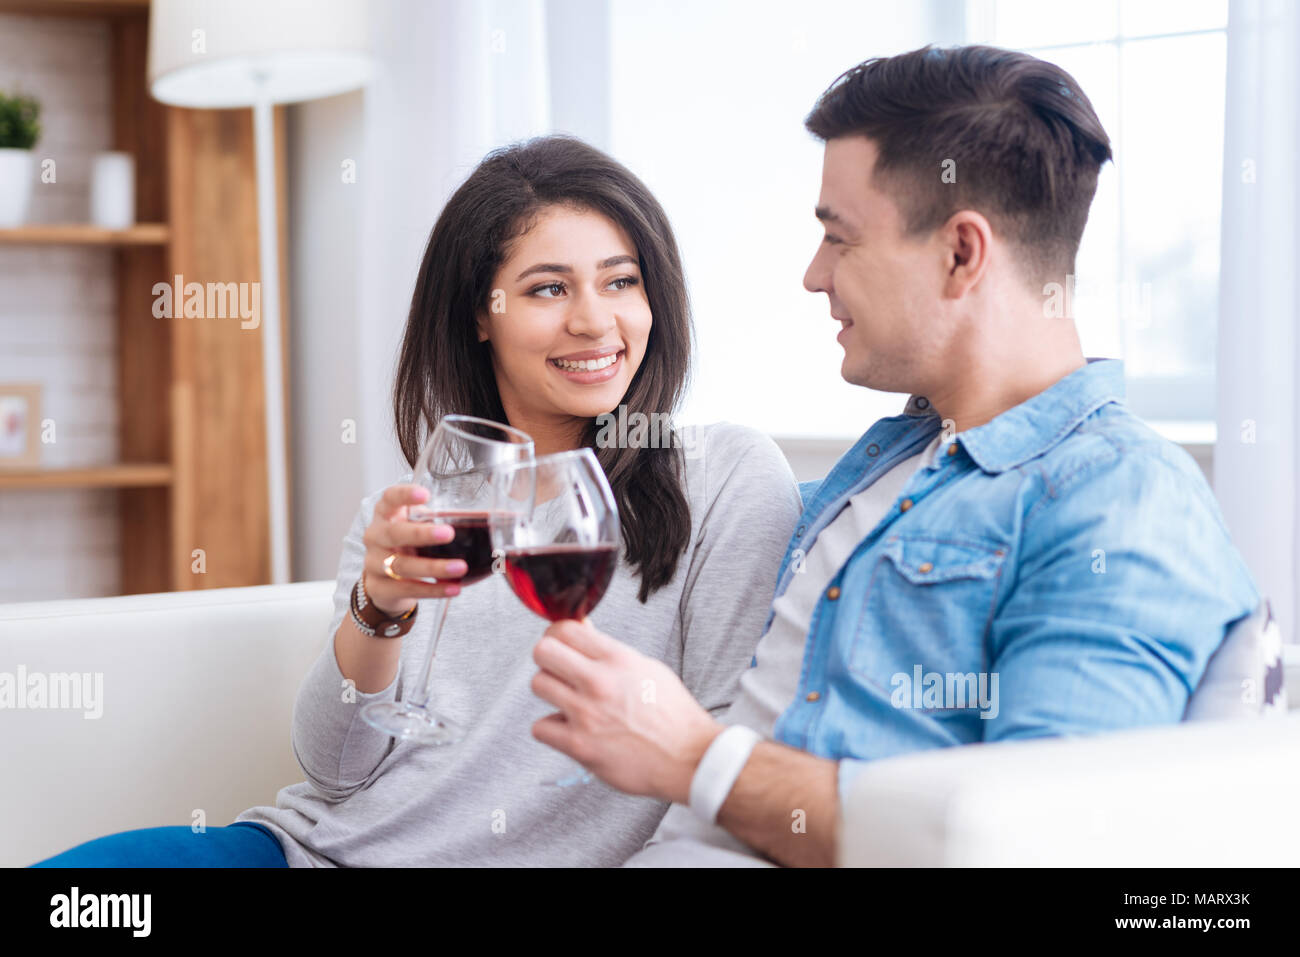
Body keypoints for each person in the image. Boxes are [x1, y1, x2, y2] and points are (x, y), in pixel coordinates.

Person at [524, 45, 1262, 867]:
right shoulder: (893, 458)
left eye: (839, 239)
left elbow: (1039, 842)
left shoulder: (1118, 498)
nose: (813, 275)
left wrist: (696, 760)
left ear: (961, 253)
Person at [31, 135, 802, 867]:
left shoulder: (724, 477)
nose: (595, 319)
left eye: (621, 280)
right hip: (307, 852)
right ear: (478, 313)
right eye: (548, 288)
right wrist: (379, 606)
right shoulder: (419, 511)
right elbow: (334, 770)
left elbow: (720, 772)